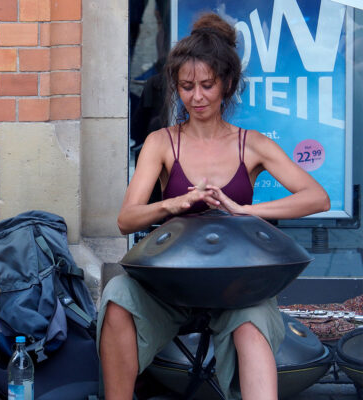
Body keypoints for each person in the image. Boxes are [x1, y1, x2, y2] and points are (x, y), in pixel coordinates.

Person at [99, 13, 330, 400]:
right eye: (187, 87)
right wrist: (176, 202)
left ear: (227, 83)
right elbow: (126, 219)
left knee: (252, 323)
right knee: (118, 296)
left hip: (236, 288)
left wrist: (245, 211)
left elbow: (317, 197)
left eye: (207, 85)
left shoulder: (252, 144)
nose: (197, 97)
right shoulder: (161, 143)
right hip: (170, 287)